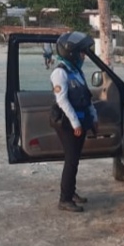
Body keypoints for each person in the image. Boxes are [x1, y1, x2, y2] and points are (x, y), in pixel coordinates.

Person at [50, 31, 98, 212]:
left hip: (80, 120)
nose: (83, 56)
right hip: (67, 123)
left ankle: (71, 191)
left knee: (75, 159)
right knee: (71, 159)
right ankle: (65, 199)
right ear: (71, 53)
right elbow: (62, 100)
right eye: (81, 52)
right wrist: (76, 124)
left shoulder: (76, 71)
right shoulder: (59, 73)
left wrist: (94, 118)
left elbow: (86, 96)